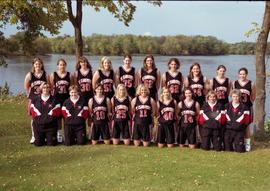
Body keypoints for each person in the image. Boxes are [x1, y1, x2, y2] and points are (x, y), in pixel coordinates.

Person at [24, 57, 49, 144]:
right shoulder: (30, 75)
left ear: (42, 65)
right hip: (34, 99)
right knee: (34, 117)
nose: (38, 65)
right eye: (36, 64)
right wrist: (29, 95)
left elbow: (49, 86)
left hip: (43, 98)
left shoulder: (45, 75)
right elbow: (26, 86)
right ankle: (34, 135)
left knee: (44, 116)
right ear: (33, 65)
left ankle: (44, 134)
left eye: (39, 64)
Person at [184, 63, 208, 148]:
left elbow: (206, 92)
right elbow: (186, 91)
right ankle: (191, 140)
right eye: (194, 69)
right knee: (191, 122)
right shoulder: (187, 79)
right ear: (191, 70)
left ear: (200, 69)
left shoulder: (203, 78)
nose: (195, 70)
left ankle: (202, 140)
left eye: (197, 68)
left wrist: (206, 104)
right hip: (191, 103)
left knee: (201, 122)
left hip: (201, 102)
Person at [50, 58, 72, 143]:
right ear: (57, 66)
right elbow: (52, 87)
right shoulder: (53, 74)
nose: (62, 66)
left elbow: (72, 86)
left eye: (63, 64)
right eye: (60, 64)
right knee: (58, 117)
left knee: (67, 116)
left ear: (65, 65)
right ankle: (59, 134)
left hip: (67, 99)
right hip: (57, 99)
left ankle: (67, 133)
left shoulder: (70, 75)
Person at [233, 67, 256, 152]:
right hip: (237, 108)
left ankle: (247, 144)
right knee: (238, 125)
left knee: (246, 126)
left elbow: (253, 96)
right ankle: (239, 143)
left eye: (244, 74)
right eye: (241, 74)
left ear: (246, 74)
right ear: (238, 74)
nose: (242, 75)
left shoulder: (251, 83)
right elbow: (233, 95)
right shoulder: (235, 83)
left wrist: (247, 105)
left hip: (247, 108)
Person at [209, 65, 232, 149]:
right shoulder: (212, 80)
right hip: (215, 104)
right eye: (220, 70)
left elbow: (229, 92)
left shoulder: (228, 81)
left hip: (225, 104)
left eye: (223, 71)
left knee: (223, 123)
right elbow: (210, 93)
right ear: (217, 71)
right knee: (214, 122)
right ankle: (214, 142)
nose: (222, 72)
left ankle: (223, 141)